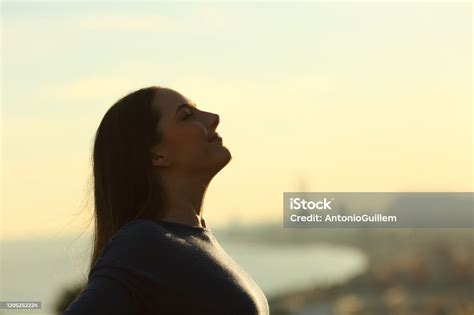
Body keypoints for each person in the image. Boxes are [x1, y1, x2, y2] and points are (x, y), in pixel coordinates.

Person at [63, 86, 270, 314]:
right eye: (187, 116)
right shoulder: (141, 244)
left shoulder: (187, 240)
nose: (213, 119)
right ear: (157, 155)